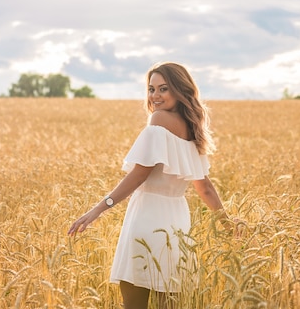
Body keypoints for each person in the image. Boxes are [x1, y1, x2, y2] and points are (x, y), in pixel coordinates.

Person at [68, 62, 232, 309]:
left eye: (163, 89)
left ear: (179, 89)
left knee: (134, 302)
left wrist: (98, 209)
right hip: (177, 225)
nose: (155, 96)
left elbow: (139, 175)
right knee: (170, 301)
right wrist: (228, 223)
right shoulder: (193, 130)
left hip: (147, 218)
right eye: (151, 89)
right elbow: (205, 187)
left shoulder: (158, 119)